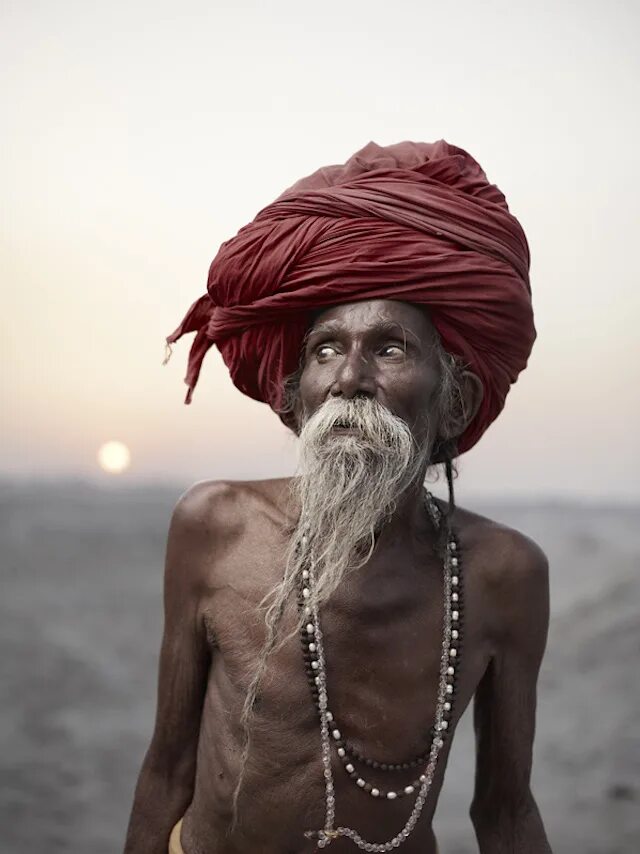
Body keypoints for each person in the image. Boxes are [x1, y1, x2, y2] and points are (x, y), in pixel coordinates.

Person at [124, 141, 552, 853]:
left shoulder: (503, 574)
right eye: (325, 349)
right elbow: (167, 770)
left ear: (455, 403)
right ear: (295, 400)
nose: (349, 377)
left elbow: (506, 814)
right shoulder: (215, 525)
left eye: (389, 349)